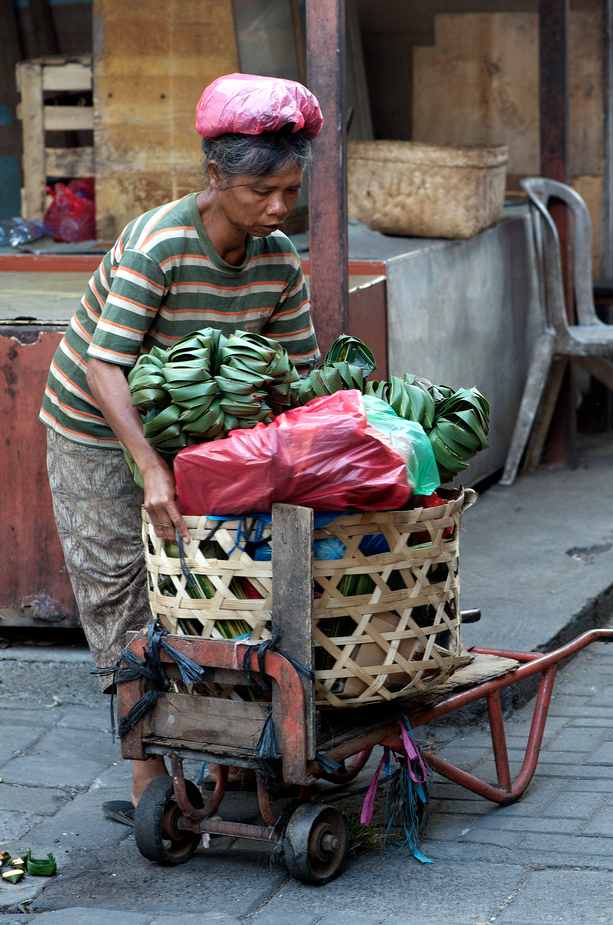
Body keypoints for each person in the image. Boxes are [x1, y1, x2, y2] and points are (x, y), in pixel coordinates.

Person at [40, 74, 322, 813]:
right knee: (125, 594)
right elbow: (105, 364)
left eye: (290, 191)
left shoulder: (280, 262)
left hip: (195, 435)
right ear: (214, 176)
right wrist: (149, 467)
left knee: (207, 588)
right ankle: (149, 774)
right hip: (101, 429)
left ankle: (236, 745)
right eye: (264, 192)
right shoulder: (161, 243)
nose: (278, 207)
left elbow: (303, 379)